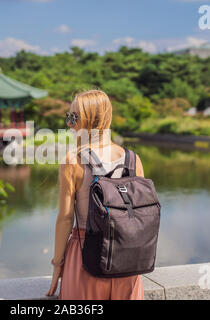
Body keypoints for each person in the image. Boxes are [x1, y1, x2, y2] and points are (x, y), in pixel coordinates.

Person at [45, 89, 145, 300]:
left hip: (84, 258)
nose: (69, 124)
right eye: (68, 117)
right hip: (127, 262)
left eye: (73, 118)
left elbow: (65, 218)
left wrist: (57, 265)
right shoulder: (133, 160)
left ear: (89, 120)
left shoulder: (73, 161)